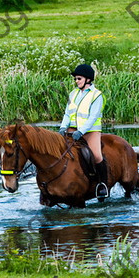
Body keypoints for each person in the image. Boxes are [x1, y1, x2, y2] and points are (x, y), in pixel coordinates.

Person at [58, 64, 109, 199]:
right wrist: (63, 127)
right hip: (72, 130)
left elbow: (93, 117)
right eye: (75, 79)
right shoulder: (73, 93)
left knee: (97, 156)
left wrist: (81, 131)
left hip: (90, 131)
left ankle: (102, 185)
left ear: (87, 79)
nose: (76, 81)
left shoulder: (96, 95)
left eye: (78, 79)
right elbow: (67, 114)